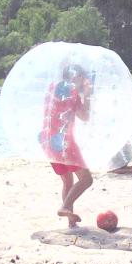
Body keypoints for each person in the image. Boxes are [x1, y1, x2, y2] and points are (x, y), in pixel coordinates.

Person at [40, 64, 93, 227]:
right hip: (64, 143)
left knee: (68, 182)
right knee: (86, 179)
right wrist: (87, 96)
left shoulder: (52, 88)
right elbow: (84, 117)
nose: (84, 80)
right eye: (82, 78)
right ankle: (64, 206)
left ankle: (71, 221)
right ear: (75, 77)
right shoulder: (73, 92)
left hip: (48, 141)